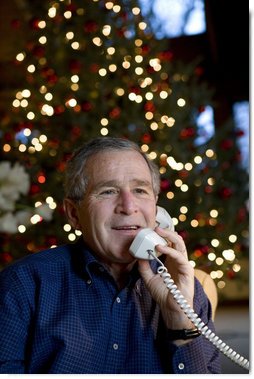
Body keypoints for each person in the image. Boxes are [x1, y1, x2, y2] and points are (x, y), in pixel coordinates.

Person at [0, 137, 221, 374]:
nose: (128, 206)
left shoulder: (183, 288)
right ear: (74, 214)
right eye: (108, 191)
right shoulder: (23, 284)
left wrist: (180, 321)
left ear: (156, 209)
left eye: (140, 190)